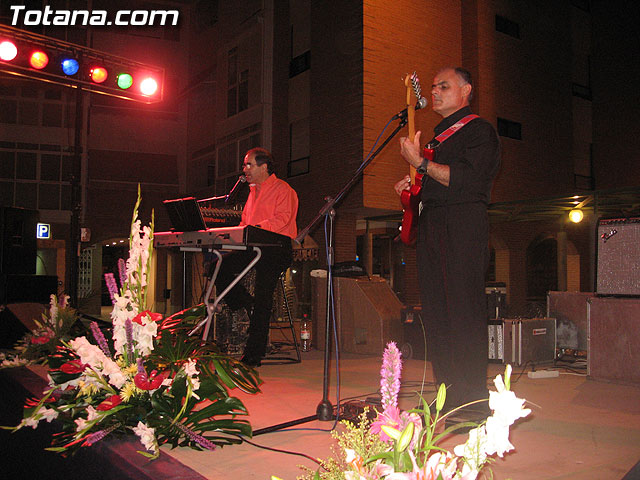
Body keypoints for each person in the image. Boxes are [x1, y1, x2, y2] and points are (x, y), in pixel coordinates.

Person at [394, 67, 501, 419]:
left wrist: (420, 163)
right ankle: (448, 397)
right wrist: (410, 190)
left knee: (464, 311)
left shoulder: (479, 131)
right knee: (438, 313)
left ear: (466, 90)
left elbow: (469, 180)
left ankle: (473, 400)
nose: (435, 92)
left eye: (444, 86)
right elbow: (430, 184)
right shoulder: (437, 137)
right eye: (434, 86)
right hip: (434, 225)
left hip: (463, 223)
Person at [214, 147, 298, 367]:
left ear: (264, 167)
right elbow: (244, 224)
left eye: (249, 164)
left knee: (264, 295)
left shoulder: (283, 189)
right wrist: (236, 235)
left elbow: (283, 220)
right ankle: (245, 303)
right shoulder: (252, 193)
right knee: (217, 267)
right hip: (253, 246)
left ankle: (254, 352)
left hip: (276, 247)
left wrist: (256, 229)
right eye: (244, 165)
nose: (245, 169)